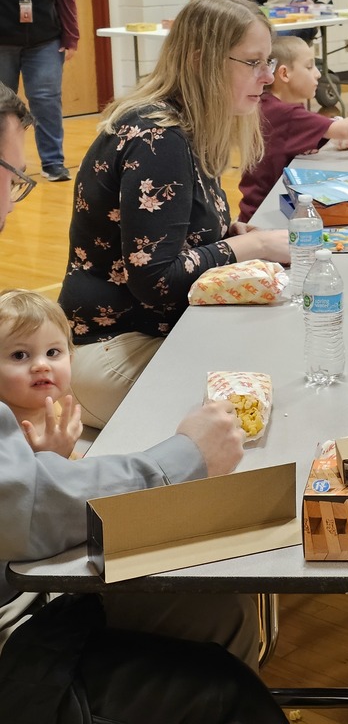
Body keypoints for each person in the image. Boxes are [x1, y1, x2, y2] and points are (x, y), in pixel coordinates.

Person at [0, 82, 287, 724]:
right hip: (17, 622)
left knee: (217, 590)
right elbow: (23, 510)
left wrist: (38, 461)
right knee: (217, 670)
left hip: (25, 564)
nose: (15, 205)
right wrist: (179, 458)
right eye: (14, 178)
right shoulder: (161, 139)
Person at [59, 0, 290, 429]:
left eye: (269, 62)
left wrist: (230, 239)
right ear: (203, 60)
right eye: (254, 63)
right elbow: (157, 280)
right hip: (112, 353)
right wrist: (252, 246)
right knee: (276, 387)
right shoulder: (159, 137)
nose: (268, 77)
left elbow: (180, 236)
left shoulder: (181, 126)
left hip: (135, 336)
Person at [238, 34, 348, 220]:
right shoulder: (284, 113)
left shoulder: (269, 104)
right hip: (266, 214)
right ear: (284, 74)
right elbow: (343, 130)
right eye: (309, 67)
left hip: (259, 208)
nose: (317, 73)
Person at [0, 0, 78, 182]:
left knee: (46, 100)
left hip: (45, 39)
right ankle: (8, 166)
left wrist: (71, 34)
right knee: (3, 105)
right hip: (2, 40)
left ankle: (53, 162)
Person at [0, 289, 82, 458]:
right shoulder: (5, 439)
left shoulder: (52, 406)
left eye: (52, 352)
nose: (41, 365)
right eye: (19, 355)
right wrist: (51, 457)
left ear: (71, 357)